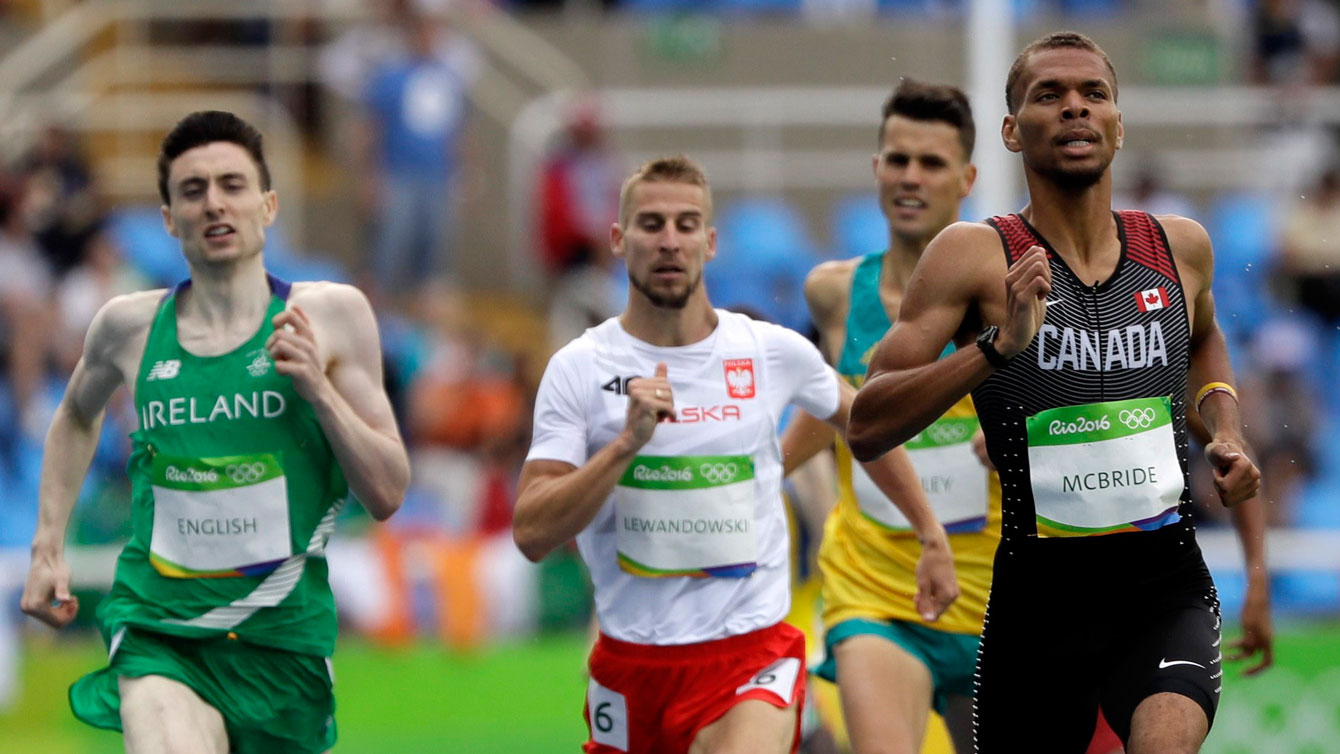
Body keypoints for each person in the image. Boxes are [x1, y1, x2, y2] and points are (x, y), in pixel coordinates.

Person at [846, 32, 1264, 753]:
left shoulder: (1179, 246)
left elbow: (1202, 340)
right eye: (1050, 95)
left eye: (1093, 94)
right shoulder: (973, 257)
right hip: (1038, 605)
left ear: (1119, 123)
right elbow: (867, 421)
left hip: (1163, 589)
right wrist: (994, 348)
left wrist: (1223, 426)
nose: (1075, 108)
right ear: (1012, 131)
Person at [513, 155, 958, 754]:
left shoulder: (769, 351)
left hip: (750, 656)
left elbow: (866, 423)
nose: (669, 241)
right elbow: (532, 533)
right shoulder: (579, 369)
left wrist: (930, 532)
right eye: (650, 225)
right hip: (631, 664)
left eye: (686, 224)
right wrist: (624, 447)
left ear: (711, 241)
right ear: (618, 240)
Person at [19, 110, 410, 754]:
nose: (214, 204)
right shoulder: (128, 328)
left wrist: (317, 389)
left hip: (282, 642)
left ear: (269, 204)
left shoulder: (332, 316)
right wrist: (47, 544)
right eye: (192, 191)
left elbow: (389, 491)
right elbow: (76, 415)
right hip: (160, 628)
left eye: (232, 184)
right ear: (169, 219)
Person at [780, 79, 995, 754]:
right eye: (897, 159)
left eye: (931, 163)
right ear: (875, 168)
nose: (911, 177)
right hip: (872, 590)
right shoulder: (834, 291)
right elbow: (836, 407)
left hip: (995, 597)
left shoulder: (1008, 294)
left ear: (966, 178)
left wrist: (1016, 433)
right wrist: (748, 475)